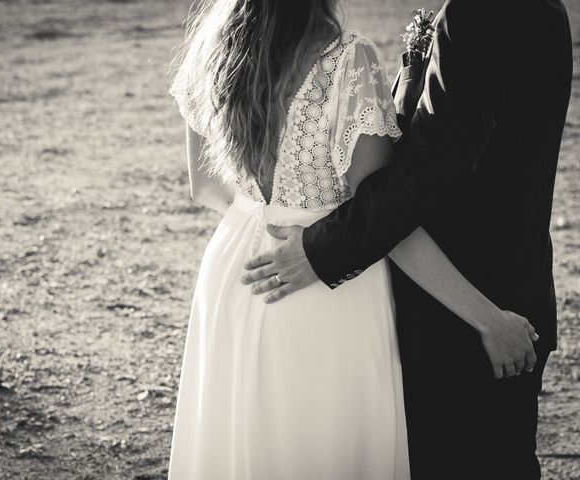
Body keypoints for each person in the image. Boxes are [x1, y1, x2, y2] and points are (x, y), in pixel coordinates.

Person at [168, 0, 544, 478]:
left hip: (235, 271)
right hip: (324, 292)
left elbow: (203, 187)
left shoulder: (211, 49)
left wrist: (265, 221)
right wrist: (488, 319)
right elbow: (385, 222)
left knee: (243, 442)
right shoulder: (347, 57)